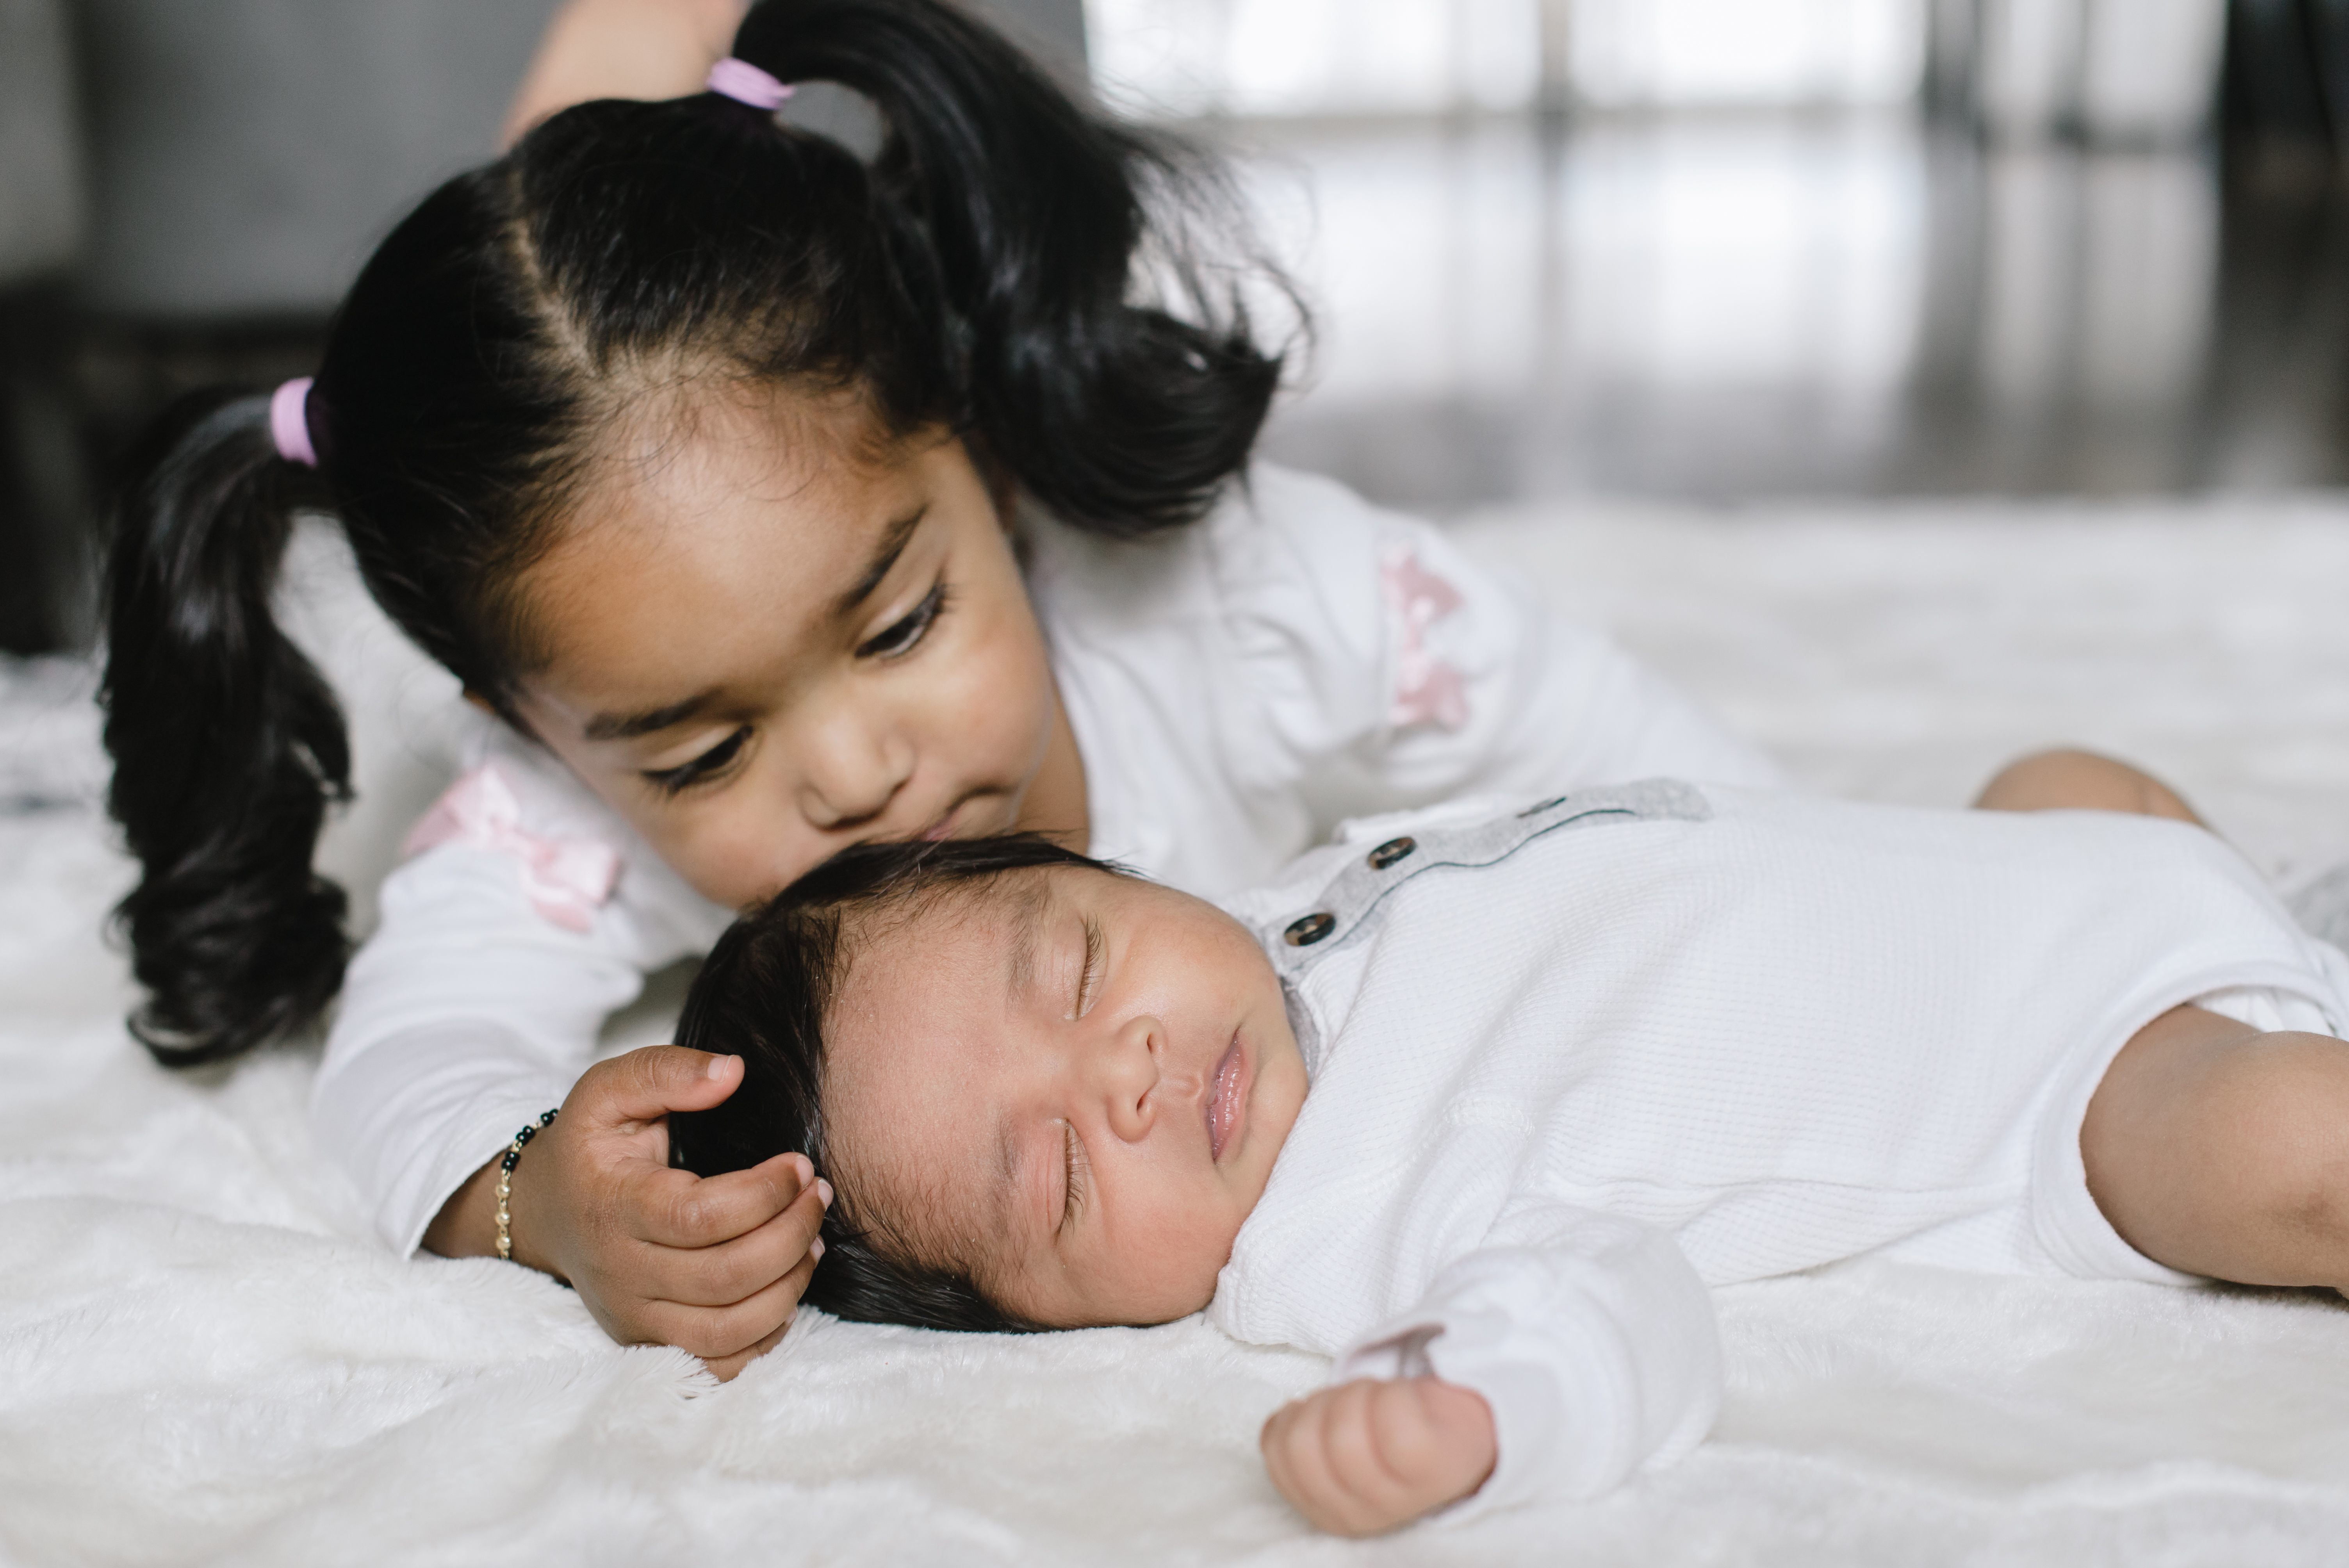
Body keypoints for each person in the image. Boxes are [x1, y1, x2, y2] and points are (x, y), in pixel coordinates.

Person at [96, 0, 1781, 1379]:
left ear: (983, 451)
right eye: (704, 747)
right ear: (521, 722)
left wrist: (1816, 862)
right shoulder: (549, 810)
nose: (855, 770)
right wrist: (542, 1197)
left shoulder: (1244, 599)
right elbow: (409, 1056)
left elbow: (1592, 727)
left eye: (900, 625)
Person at [663, 749, 2349, 1534]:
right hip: (2077, 1082)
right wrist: (1482, 1407)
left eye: (1081, 964)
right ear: (1045, 1321)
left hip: (2062, 886)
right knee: (2287, 1139)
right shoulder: (1352, 1216)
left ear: (1110, 876)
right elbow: (1604, 1300)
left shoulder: (1285, 916)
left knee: (2064, 777)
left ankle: (2288, 925)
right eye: (1057, 1178)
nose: (1126, 1075)